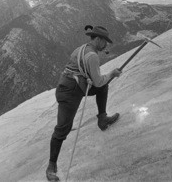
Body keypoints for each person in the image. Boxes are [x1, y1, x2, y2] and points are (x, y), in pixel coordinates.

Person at [46, 26, 122, 181]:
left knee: (102, 87)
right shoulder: (92, 56)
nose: (105, 46)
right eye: (105, 42)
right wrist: (112, 74)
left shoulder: (81, 49)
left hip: (70, 86)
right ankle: (51, 166)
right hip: (70, 92)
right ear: (98, 39)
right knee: (63, 128)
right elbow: (99, 82)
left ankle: (102, 118)